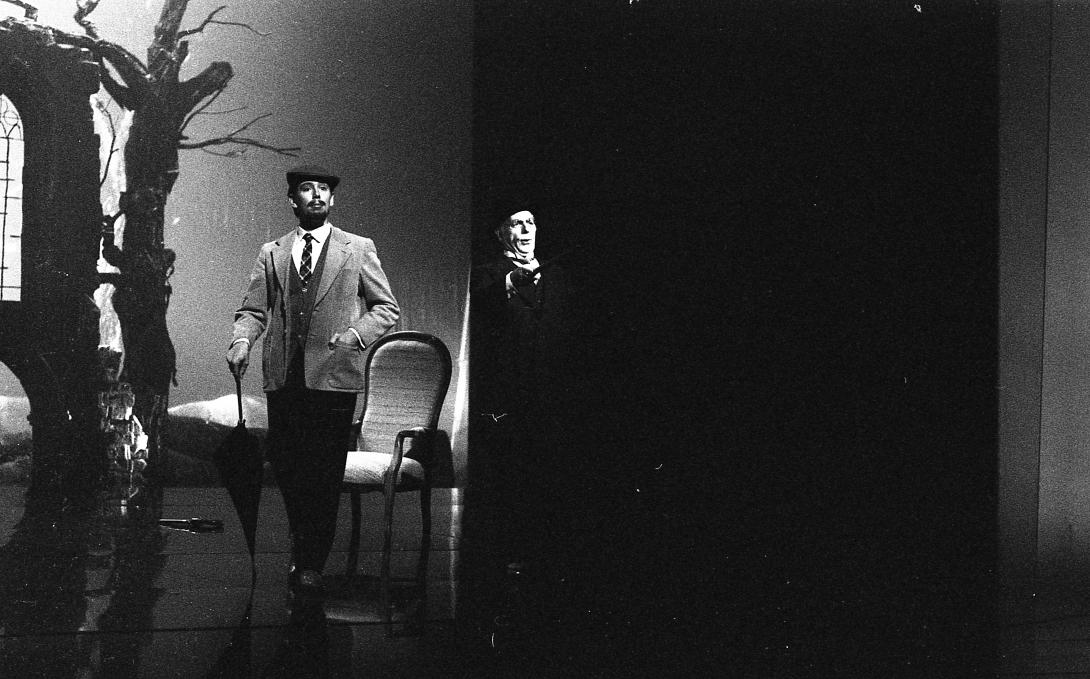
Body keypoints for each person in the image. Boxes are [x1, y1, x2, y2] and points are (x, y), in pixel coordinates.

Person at [226, 165, 399, 594]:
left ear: (332, 200)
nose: (317, 195)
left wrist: (355, 334)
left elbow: (386, 308)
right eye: (307, 189)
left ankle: (310, 562)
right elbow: (253, 311)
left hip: (334, 379)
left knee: (323, 475)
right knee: (288, 468)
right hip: (284, 379)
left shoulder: (357, 248)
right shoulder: (272, 252)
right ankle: (302, 545)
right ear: (293, 200)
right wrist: (242, 340)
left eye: (324, 189)